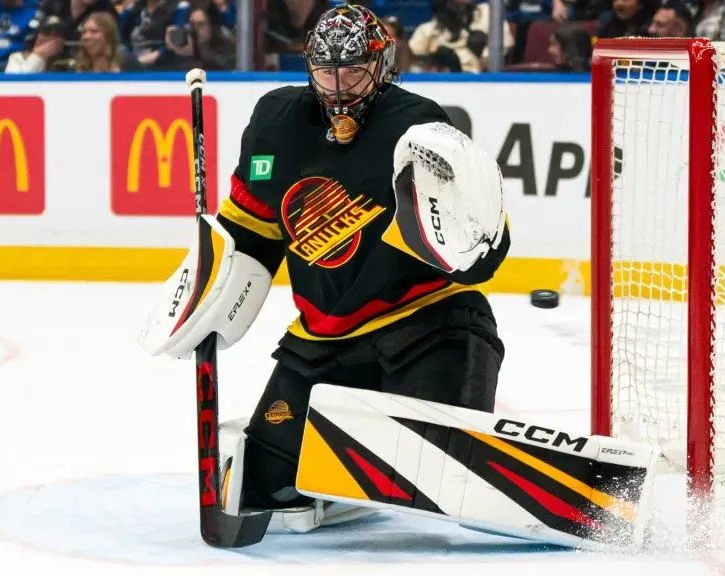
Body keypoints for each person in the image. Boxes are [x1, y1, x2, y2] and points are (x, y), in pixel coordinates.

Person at [140, 4, 654, 546]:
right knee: (266, 489)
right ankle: (333, 472)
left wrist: (474, 243)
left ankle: (577, 484)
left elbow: (481, 254)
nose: (338, 86)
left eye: (354, 70)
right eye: (326, 70)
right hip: (321, 344)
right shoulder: (275, 121)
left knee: (433, 466)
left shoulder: (418, 124)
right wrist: (210, 296)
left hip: (428, 330)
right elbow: (251, 235)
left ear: (381, 65)